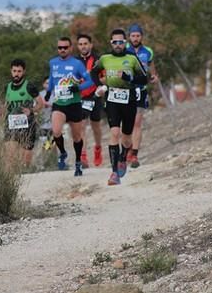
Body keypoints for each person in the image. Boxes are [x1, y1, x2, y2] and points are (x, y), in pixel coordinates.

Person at [90, 28, 148, 185]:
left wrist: (128, 77)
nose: (118, 45)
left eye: (121, 42)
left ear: (125, 43)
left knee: (127, 137)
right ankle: (114, 172)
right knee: (114, 132)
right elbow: (93, 73)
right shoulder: (104, 59)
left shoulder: (132, 58)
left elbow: (144, 79)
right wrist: (98, 87)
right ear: (111, 43)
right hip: (112, 99)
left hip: (129, 100)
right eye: (115, 42)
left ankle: (123, 158)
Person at [45, 36, 94, 176]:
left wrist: (77, 88)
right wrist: (48, 92)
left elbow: (90, 81)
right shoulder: (53, 62)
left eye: (65, 47)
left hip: (74, 104)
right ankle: (63, 153)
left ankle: (78, 162)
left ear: (71, 48)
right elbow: (52, 80)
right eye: (60, 47)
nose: (62, 50)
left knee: (77, 137)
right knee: (56, 131)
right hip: (59, 103)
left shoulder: (77, 64)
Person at [125, 23, 158, 168]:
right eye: (133, 36)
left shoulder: (148, 51)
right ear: (129, 37)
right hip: (126, 90)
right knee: (126, 123)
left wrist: (154, 76)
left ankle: (134, 155)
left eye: (138, 36)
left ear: (141, 36)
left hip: (141, 89)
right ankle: (125, 151)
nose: (135, 38)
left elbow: (151, 65)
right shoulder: (124, 50)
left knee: (137, 123)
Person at [3, 59, 44, 168]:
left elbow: (41, 104)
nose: (16, 74)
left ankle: (25, 175)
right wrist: (2, 112)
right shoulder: (7, 87)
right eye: (14, 71)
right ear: (11, 71)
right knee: (9, 155)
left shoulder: (29, 86)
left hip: (27, 125)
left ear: (23, 72)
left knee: (25, 162)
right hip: (11, 124)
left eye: (19, 71)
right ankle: (9, 181)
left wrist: (31, 110)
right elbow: (6, 104)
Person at [75, 33, 104, 168]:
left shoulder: (98, 60)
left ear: (90, 45)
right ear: (77, 46)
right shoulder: (74, 62)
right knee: (81, 126)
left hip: (95, 96)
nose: (83, 46)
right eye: (80, 44)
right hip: (81, 97)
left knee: (95, 127)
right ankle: (83, 156)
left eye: (85, 44)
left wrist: (100, 85)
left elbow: (104, 77)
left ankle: (98, 148)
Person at [38, 76, 54, 150]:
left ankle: (53, 157)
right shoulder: (39, 95)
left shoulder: (56, 94)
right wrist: (41, 104)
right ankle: (45, 156)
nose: (48, 85)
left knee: (53, 143)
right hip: (42, 123)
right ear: (43, 84)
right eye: (47, 83)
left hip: (53, 124)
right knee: (44, 143)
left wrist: (50, 105)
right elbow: (35, 105)